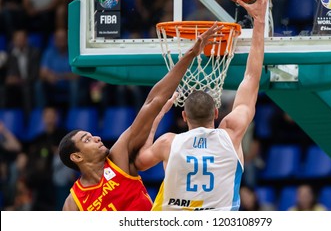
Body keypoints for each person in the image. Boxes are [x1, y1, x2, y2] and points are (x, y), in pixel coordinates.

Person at [135, 0, 271, 211]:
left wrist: (157, 118)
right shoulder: (231, 133)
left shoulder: (168, 142)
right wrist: (258, 21)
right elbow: (251, 78)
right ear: (217, 112)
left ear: (184, 117)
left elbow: (139, 161)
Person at [58, 22, 224, 211]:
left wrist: (191, 54)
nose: (96, 137)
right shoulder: (73, 204)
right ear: (77, 156)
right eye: (87, 139)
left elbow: (152, 102)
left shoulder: (117, 158)